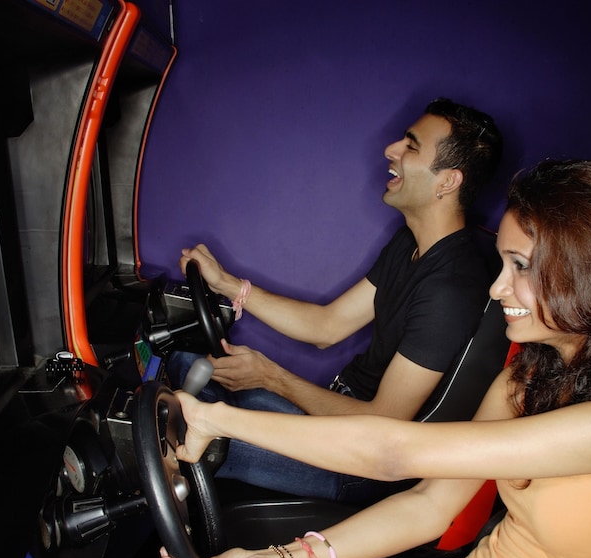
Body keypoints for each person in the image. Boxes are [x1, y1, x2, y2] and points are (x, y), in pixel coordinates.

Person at [115, 159, 591, 558]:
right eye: (503, 264)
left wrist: (216, 418)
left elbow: (393, 451)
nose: (497, 288)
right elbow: (430, 504)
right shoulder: (528, 380)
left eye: (521, 267)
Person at [168, 97, 503, 504]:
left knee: (172, 430)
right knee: (182, 366)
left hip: (357, 463)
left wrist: (271, 377)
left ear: (447, 182)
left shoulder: (451, 288)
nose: (390, 149)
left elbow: (384, 424)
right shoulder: (412, 244)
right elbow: (327, 327)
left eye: (411, 146)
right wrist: (225, 283)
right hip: (337, 418)